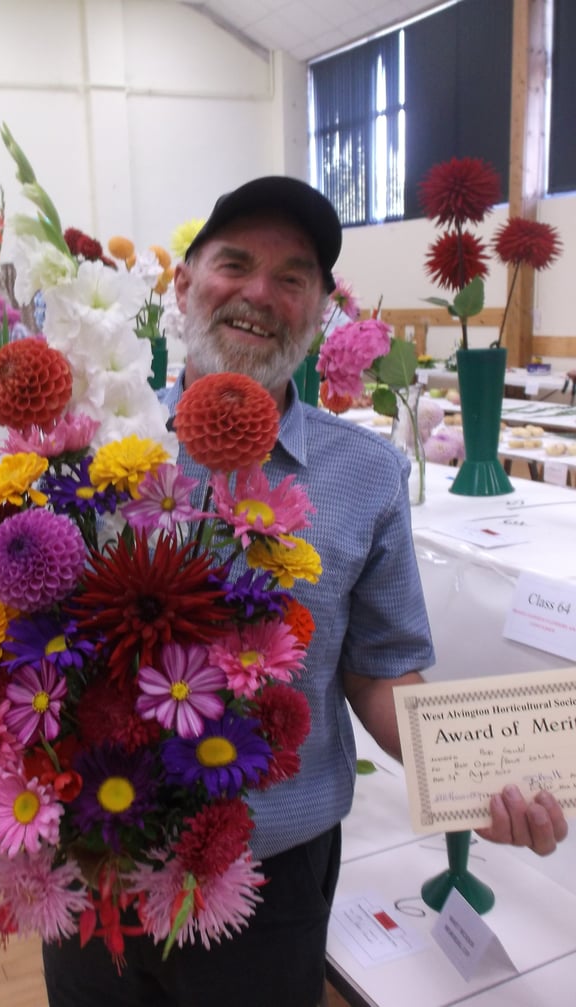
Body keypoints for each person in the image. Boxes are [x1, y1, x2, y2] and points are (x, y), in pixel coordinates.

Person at [42, 177, 568, 1007]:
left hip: (269, 880)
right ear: (183, 284)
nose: (259, 292)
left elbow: (380, 668)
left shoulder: (365, 476)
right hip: (95, 852)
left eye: (293, 277)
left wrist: (487, 775)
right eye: (235, 263)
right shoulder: (94, 447)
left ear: (321, 311)